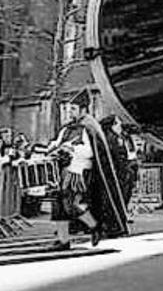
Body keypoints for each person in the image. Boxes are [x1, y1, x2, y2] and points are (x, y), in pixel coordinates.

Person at [48, 106, 128, 250]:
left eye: (73, 109)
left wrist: (71, 148)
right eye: (68, 109)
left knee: (71, 204)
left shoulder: (88, 127)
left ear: (82, 110)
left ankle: (94, 226)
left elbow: (90, 152)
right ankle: (63, 240)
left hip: (78, 172)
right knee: (59, 205)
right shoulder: (66, 129)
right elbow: (56, 143)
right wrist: (52, 147)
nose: (70, 112)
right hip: (64, 170)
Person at [100, 116, 139, 208]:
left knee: (123, 196)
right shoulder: (113, 139)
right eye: (117, 123)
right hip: (119, 173)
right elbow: (118, 157)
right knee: (120, 198)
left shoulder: (119, 137)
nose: (120, 125)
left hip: (123, 171)